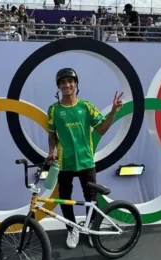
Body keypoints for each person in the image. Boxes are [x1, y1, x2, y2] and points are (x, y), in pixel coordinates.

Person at [46, 68, 123, 249]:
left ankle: (89, 229)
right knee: (65, 197)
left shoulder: (86, 106)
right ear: (58, 86)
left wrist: (113, 112)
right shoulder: (53, 110)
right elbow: (52, 134)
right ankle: (72, 229)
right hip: (65, 163)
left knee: (91, 198)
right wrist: (51, 151)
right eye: (63, 82)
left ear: (76, 84)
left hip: (86, 160)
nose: (67, 85)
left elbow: (101, 129)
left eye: (70, 81)